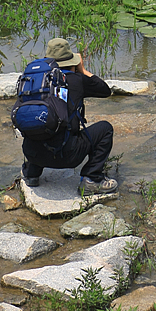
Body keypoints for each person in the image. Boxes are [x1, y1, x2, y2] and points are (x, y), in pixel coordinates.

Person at [20, 38, 118, 194]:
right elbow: (105, 90)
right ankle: (92, 178)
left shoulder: (32, 79)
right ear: (72, 63)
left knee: (38, 122)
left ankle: (31, 174)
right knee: (105, 129)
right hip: (68, 156)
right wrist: (83, 70)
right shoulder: (77, 80)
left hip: (32, 153)